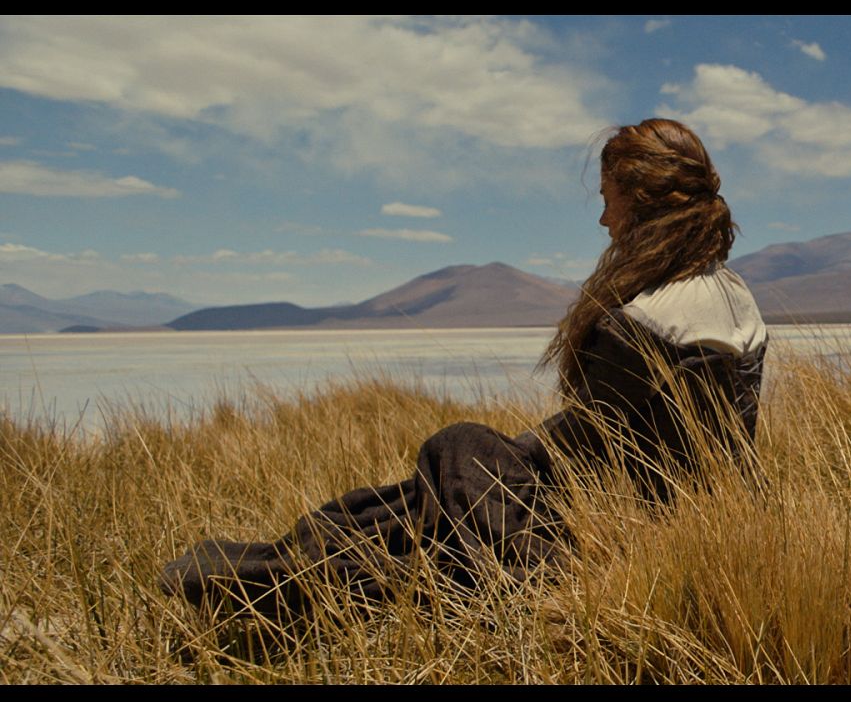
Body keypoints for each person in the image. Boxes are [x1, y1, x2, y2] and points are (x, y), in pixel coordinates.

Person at [161, 118, 768, 618]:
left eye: (609, 202)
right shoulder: (732, 297)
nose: (604, 221)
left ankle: (248, 586)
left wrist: (505, 451)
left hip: (624, 530)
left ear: (640, 203)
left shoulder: (651, 318)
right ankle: (254, 578)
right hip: (704, 515)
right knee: (412, 502)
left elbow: (585, 454)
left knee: (451, 455)